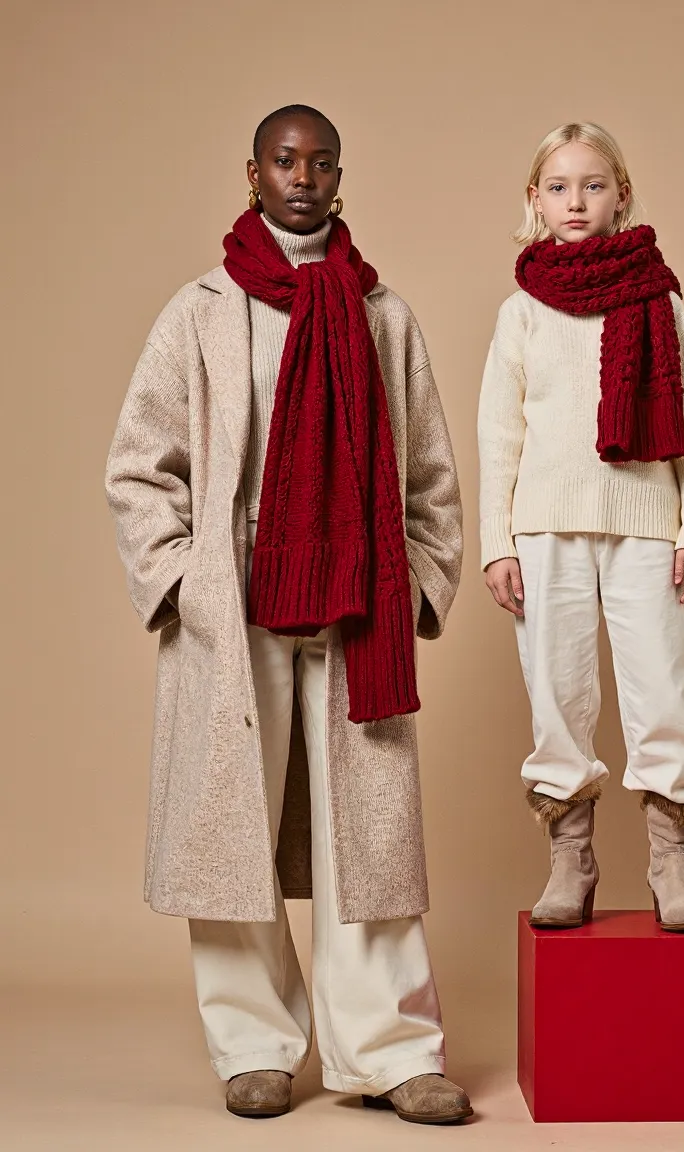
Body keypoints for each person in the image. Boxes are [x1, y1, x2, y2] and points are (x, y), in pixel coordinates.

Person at [105, 104, 471, 1124]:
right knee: (231, 828)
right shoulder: (200, 311)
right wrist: (184, 584)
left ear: (339, 176)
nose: (300, 177)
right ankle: (252, 1045)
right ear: (252, 173)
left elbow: (432, 479)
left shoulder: (381, 314)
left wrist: (423, 585)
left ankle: (390, 1052)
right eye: (282, 160)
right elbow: (140, 466)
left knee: (371, 830)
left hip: (357, 599)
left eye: (318, 162)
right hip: (234, 600)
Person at [478, 122, 684, 934]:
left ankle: (669, 858)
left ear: (621, 193)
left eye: (592, 185)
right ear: (534, 200)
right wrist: (498, 543)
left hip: (647, 523)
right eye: (558, 186)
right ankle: (571, 860)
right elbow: (498, 434)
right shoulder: (521, 311)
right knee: (558, 693)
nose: (574, 201)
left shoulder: (660, 297)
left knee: (662, 691)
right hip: (545, 529)